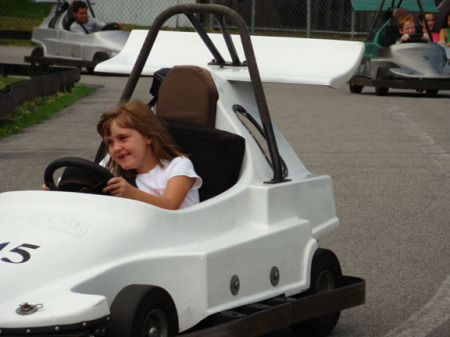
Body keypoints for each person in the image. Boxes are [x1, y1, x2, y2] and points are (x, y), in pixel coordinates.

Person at [97, 100, 202, 210]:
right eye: (110, 143)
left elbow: (170, 205)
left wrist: (132, 194)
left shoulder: (178, 165)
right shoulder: (122, 182)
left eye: (122, 138)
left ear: (148, 136)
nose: (116, 148)